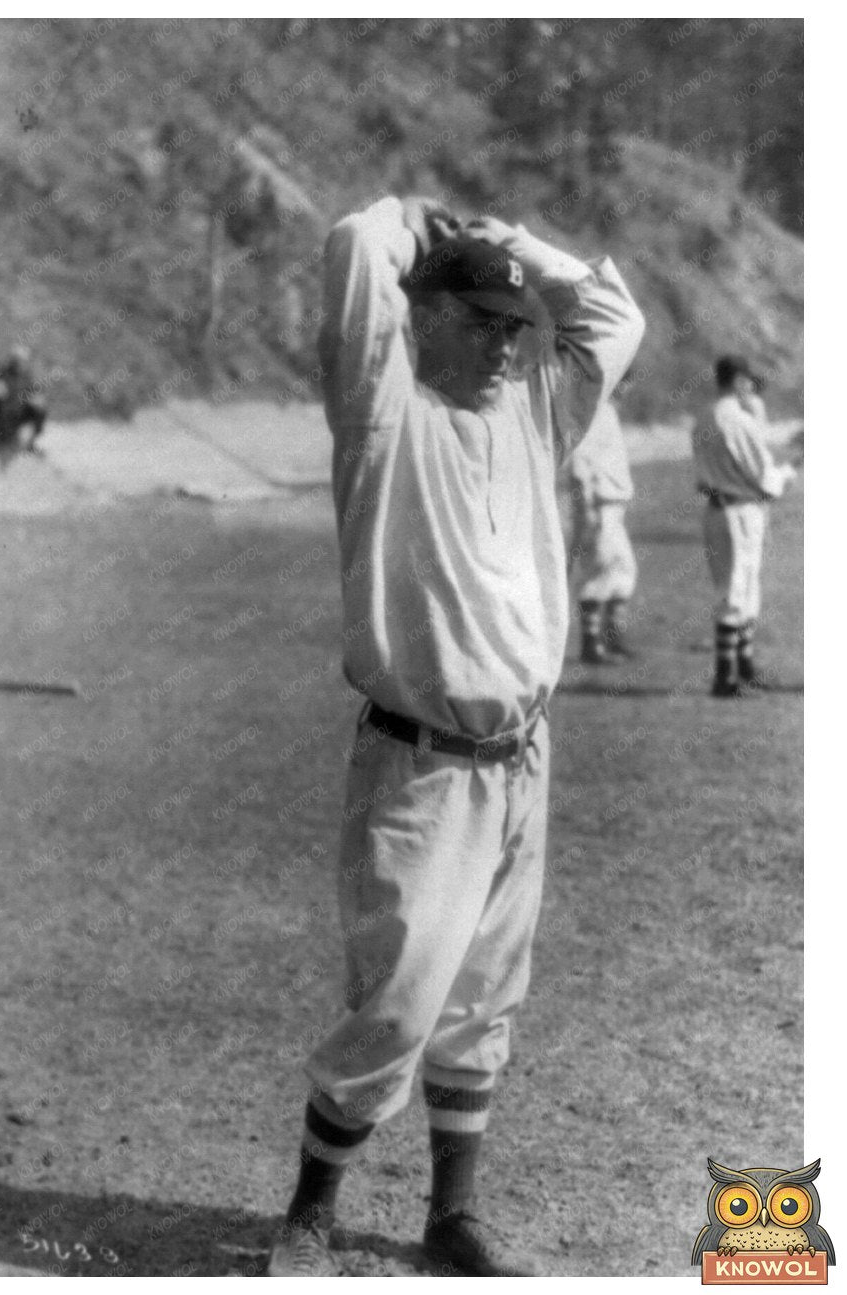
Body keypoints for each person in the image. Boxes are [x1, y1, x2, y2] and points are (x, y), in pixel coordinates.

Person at [265, 195, 644, 1277]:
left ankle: (451, 1216)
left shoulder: (530, 410)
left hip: (520, 755)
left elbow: (613, 316)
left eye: (511, 327)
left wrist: (509, 238)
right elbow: (349, 252)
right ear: (419, 315)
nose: (499, 345)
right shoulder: (383, 415)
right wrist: (412, 217)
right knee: (396, 1000)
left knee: (484, 996)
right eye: (476, 320)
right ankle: (307, 1212)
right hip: (417, 760)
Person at [692, 355, 798, 698]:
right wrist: (792, 469)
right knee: (737, 591)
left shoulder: (705, 416)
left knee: (743, 588)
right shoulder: (737, 419)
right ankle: (725, 678)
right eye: (749, 379)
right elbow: (763, 478)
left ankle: (745, 668)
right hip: (738, 511)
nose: (752, 386)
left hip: (719, 508)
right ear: (738, 380)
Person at [565, 397, 637, 663]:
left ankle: (613, 636)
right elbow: (580, 463)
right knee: (597, 572)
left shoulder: (607, 411)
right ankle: (591, 644)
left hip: (613, 505)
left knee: (623, 571)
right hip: (599, 505)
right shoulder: (593, 408)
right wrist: (587, 509)